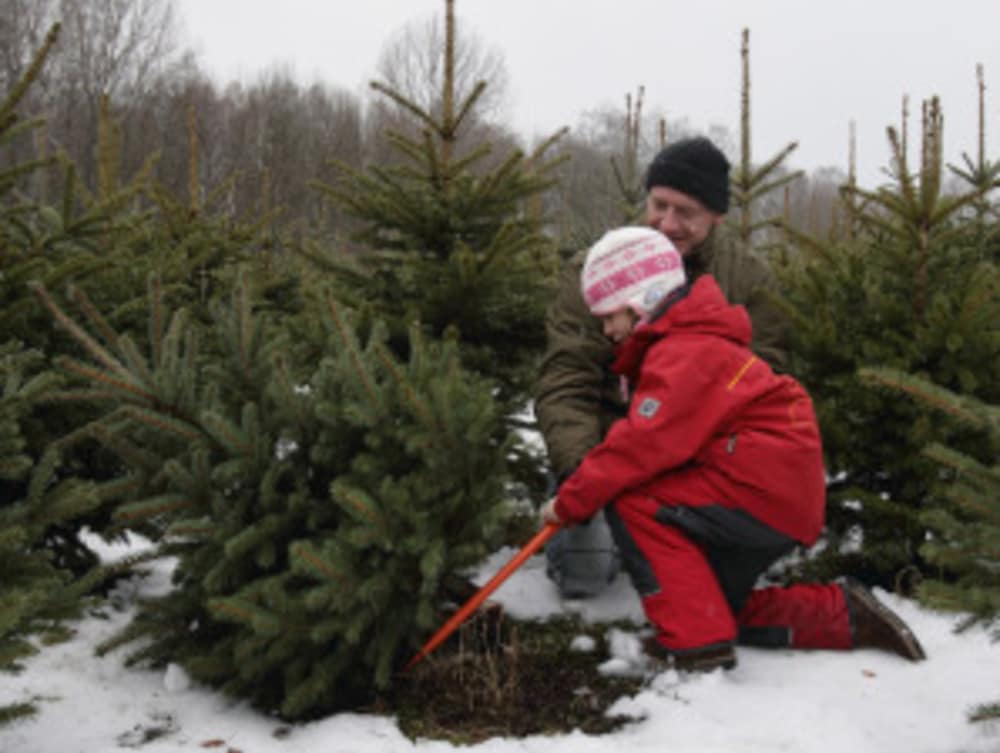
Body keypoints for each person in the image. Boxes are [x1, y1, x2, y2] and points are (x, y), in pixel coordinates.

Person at [540, 226, 926, 671]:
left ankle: (698, 648)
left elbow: (639, 447)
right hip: (772, 494)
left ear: (640, 301)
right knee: (709, 603)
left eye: (609, 316)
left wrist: (570, 502)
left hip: (756, 491)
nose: (606, 330)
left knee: (632, 499)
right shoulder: (690, 341)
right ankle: (844, 615)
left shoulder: (684, 351)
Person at [534, 135, 784, 599]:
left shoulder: (747, 280)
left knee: (712, 584)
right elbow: (566, 379)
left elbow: (764, 385)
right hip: (608, 447)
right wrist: (582, 474)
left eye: (686, 212)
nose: (667, 223)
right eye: (659, 204)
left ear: (716, 216)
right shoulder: (596, 271)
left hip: (699, 455)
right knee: (583, 576)